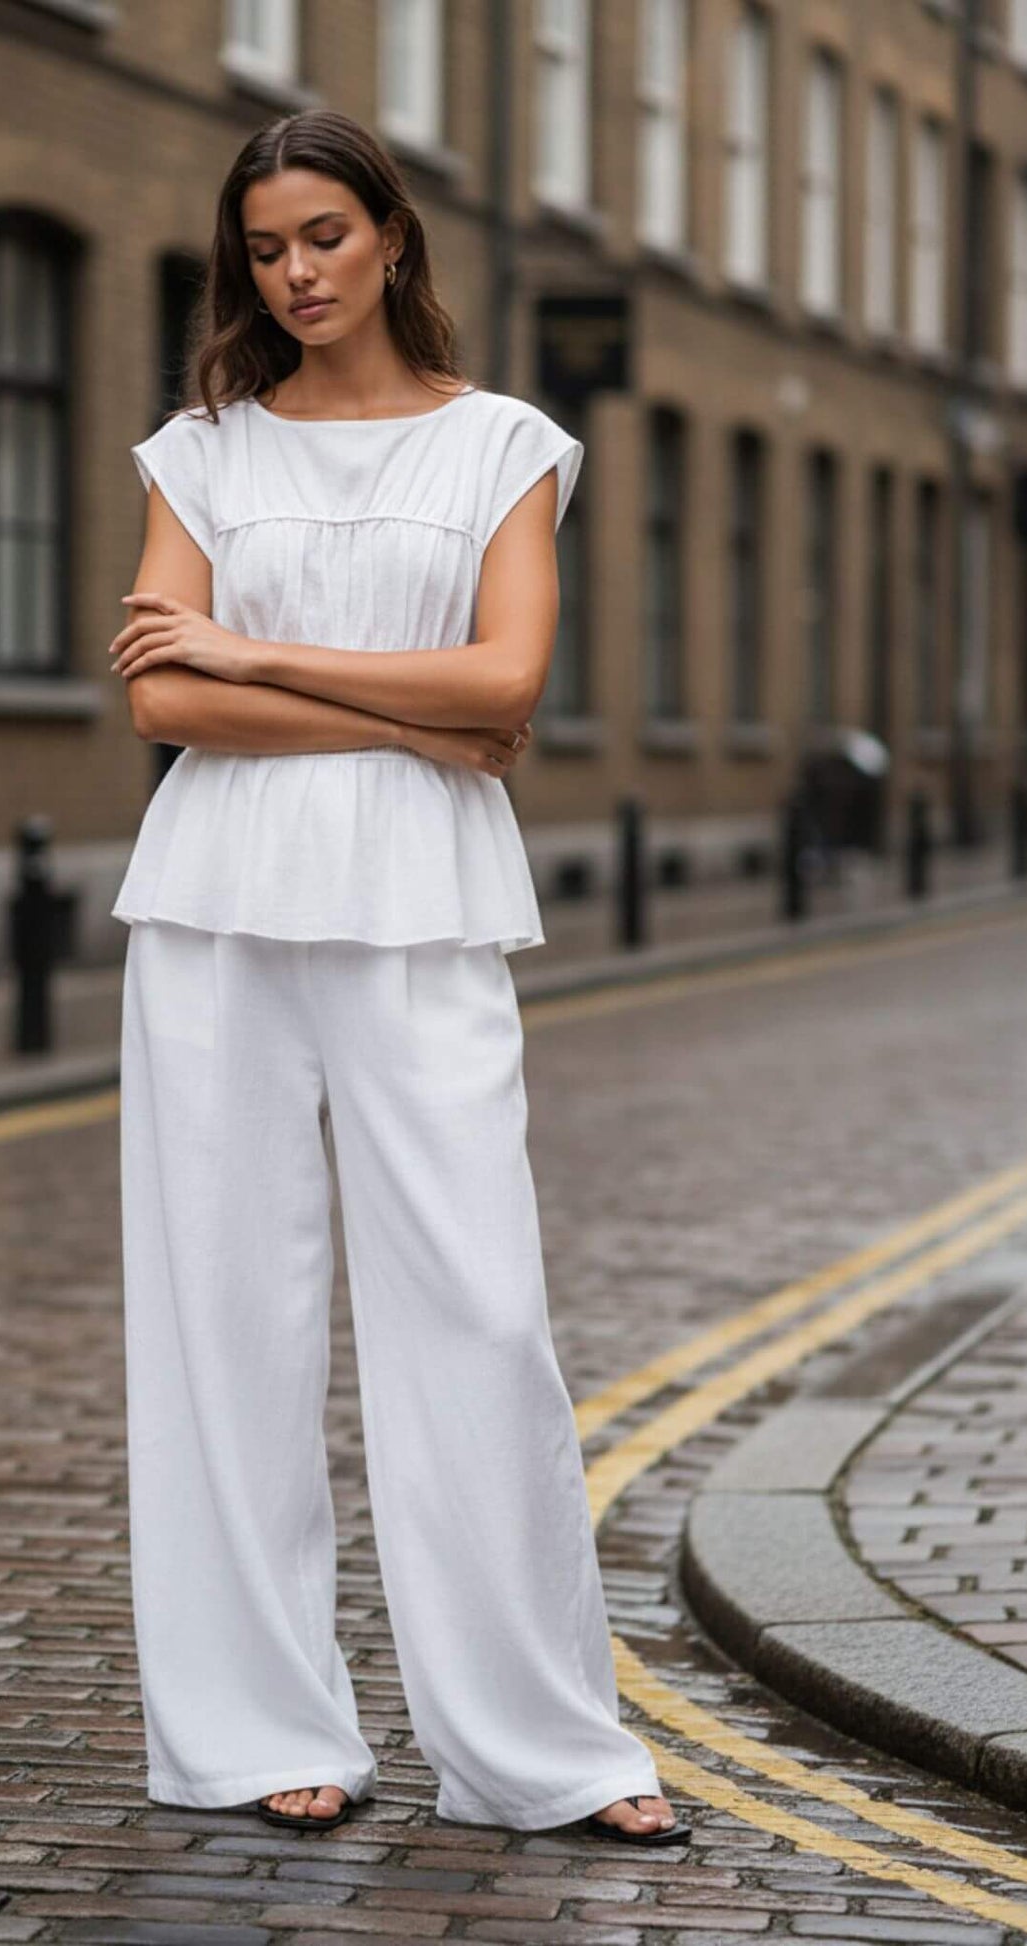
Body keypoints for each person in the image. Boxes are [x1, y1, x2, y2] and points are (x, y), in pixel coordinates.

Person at [108, 107, 689, 1848]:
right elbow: (163, 702)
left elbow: (509, 680)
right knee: (227, 1317)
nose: (294, 274)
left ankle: (540, 1747)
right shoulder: (198, 453)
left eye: (324, 240)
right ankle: (250, 1724)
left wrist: (255, 642)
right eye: (267, 248)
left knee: (478, 1307)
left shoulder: (504, 445)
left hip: (424, 913)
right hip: (214, 909)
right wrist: (409, 699)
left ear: (392, 238)